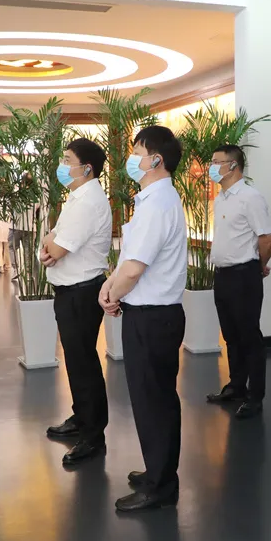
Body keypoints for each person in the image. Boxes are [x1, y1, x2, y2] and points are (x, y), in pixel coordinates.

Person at [98, 125, 186, 513]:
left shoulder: (158, 203)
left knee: (154, 401)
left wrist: (112, 295)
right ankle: (158, 471)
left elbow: (135, 269)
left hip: (153, 317)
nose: (131, 159)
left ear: (156, 160)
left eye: (137, 152)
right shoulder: (152, 200)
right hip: (148, 314)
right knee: (152, 398)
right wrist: (110, 287)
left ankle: (160, 485)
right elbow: (128, 260)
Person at [39, 139, 113, 464]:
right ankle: (81, 417)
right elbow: (51, 242)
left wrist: (51, 244)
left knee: (84, 364)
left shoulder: (88, 202)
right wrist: (51, 244)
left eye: (68, 160)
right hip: (70, 290)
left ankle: (93, 435)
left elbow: (54, 246)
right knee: (76, 361)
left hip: (81, 292)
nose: (62, 165)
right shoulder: (77, 196)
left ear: (87, 168)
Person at [204, 145, 271, 418]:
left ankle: (255, 396)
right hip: (222, 275)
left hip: (244, 276)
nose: (212, 167)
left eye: (217, 162)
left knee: (249, 337)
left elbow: (266, 239)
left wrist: (258, 266)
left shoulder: (250, 197)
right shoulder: (221, 198)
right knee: (231, 336)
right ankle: (236, 386)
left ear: (233, 165)